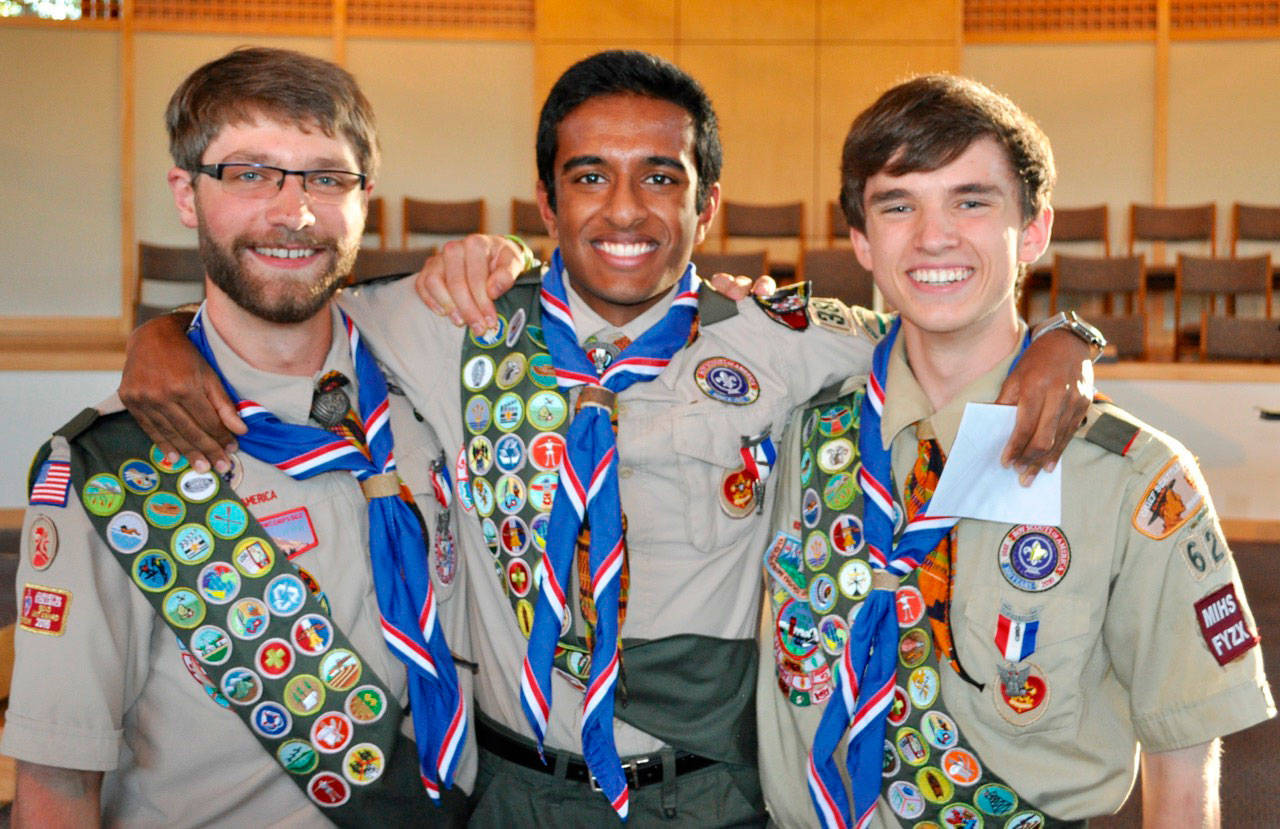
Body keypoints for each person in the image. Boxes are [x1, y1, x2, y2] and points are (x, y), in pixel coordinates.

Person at [118, 51, 1095, 825]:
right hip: (513, 793)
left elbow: (957, 344)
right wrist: (161, 335)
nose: (623, 210)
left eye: (658, 178)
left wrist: (1062, 338)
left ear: (703, 204)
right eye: (588, 176)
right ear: (546, 205)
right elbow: (276, 307)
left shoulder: (790, 344)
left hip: (713, 792)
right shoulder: (451, 321)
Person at [756, 74, 1275, 829]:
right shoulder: (800, 434)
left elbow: (1182, 773)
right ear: (862, 242)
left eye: (972, 201)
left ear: (1033, 231)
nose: (934, 235)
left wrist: (1074, 336)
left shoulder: (1127, 475)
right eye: (899, 204)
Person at [2, 47, 473, 826]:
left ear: (366, 200)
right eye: (249, 173)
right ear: (187, 194)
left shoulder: (430, 387)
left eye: (326, 178)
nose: (293, 213)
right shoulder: (115, 466)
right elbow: (57, 786)